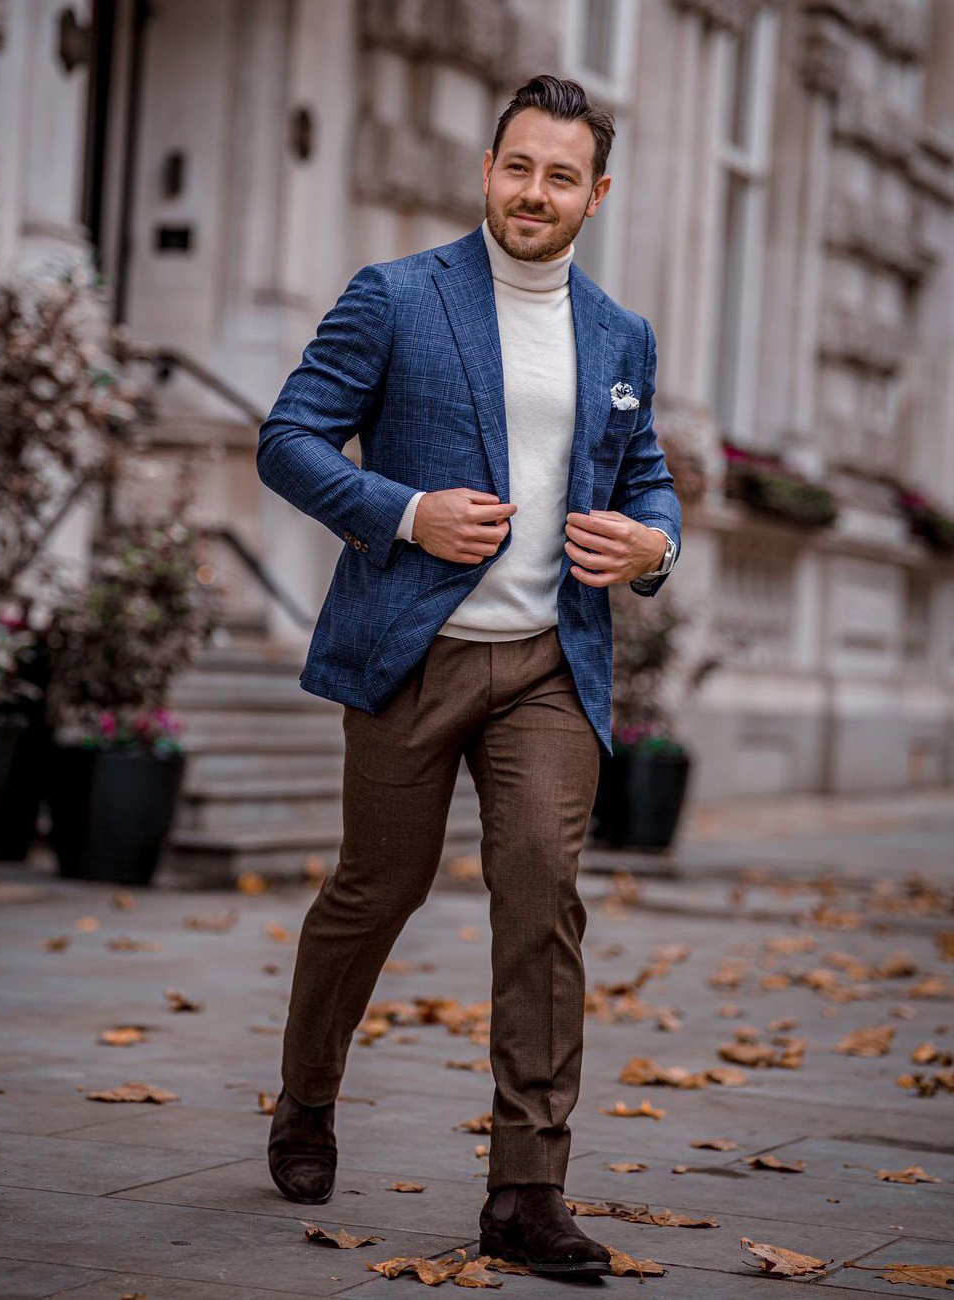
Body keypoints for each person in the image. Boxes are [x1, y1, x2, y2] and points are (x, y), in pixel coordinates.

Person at [256, 73, 681, 1278]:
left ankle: (525, 1188)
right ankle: (306, 1097)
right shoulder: (394, 298)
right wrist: (404, 512)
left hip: (550, 663)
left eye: (560, 175)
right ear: (485, 169)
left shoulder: (618, 335)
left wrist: (658, 543)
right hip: (409, 654)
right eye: (516, 166)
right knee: (371, 892)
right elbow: (286, 438)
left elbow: (643, 473)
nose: (532, 192)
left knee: (542, 901)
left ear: (595, 194)